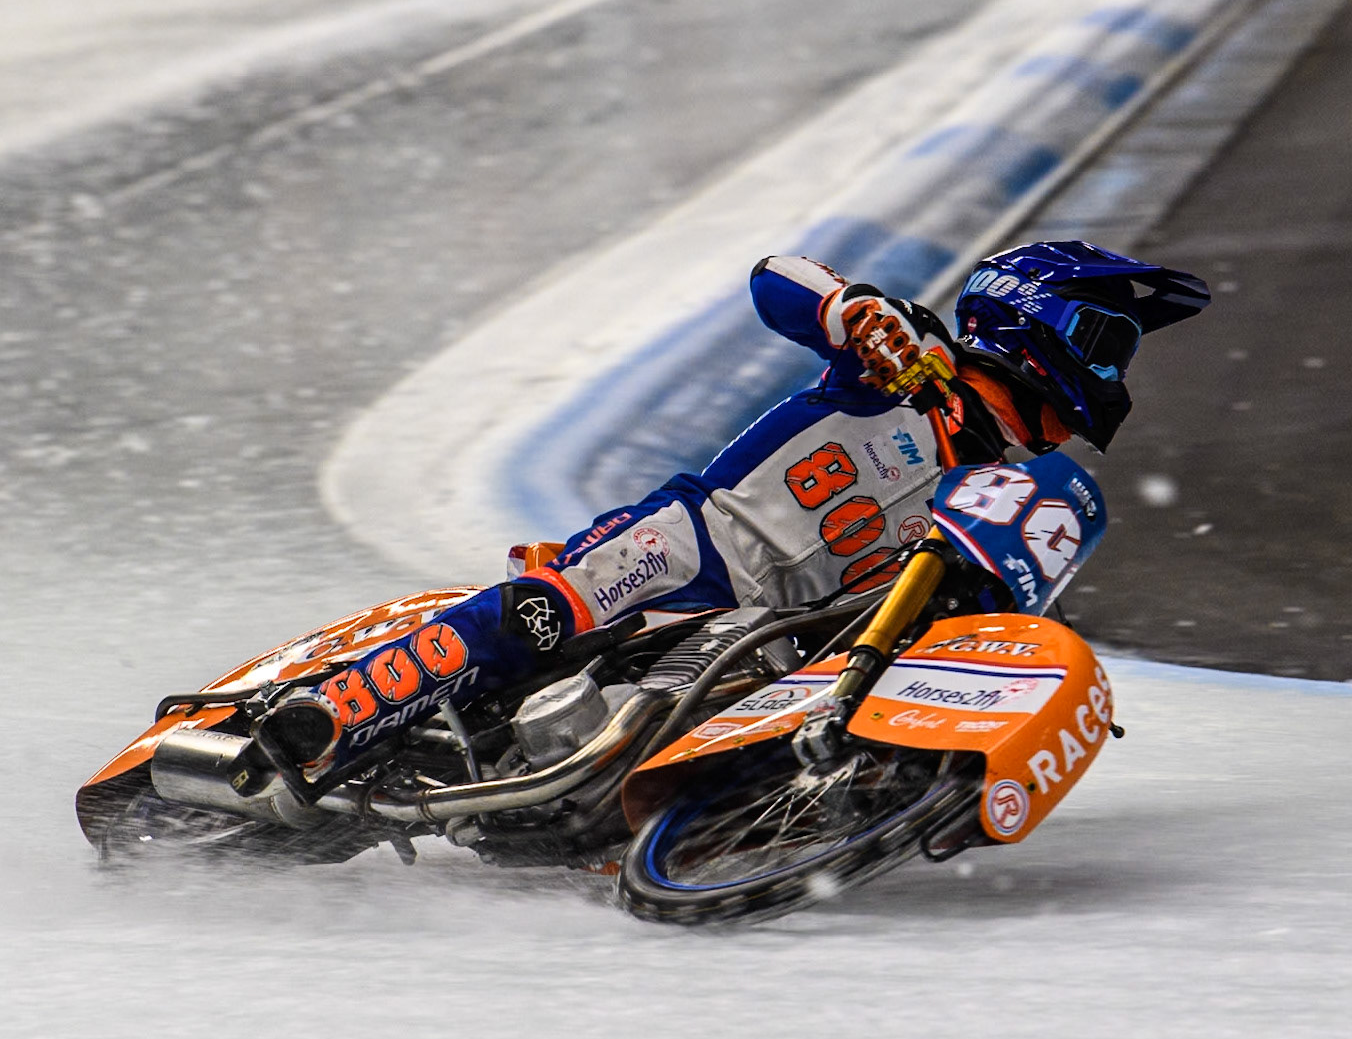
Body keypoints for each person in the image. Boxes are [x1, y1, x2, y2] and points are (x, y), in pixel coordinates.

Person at [257, 240, 1209, 769]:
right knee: (546, 613)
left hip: (784, 626)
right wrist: (853, 310)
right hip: (698, 546)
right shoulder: (907, 360)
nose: (1115, 370)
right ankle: (329, 713)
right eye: (1106, 340)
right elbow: (775, 279)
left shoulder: (998, 488)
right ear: (1031, 313)